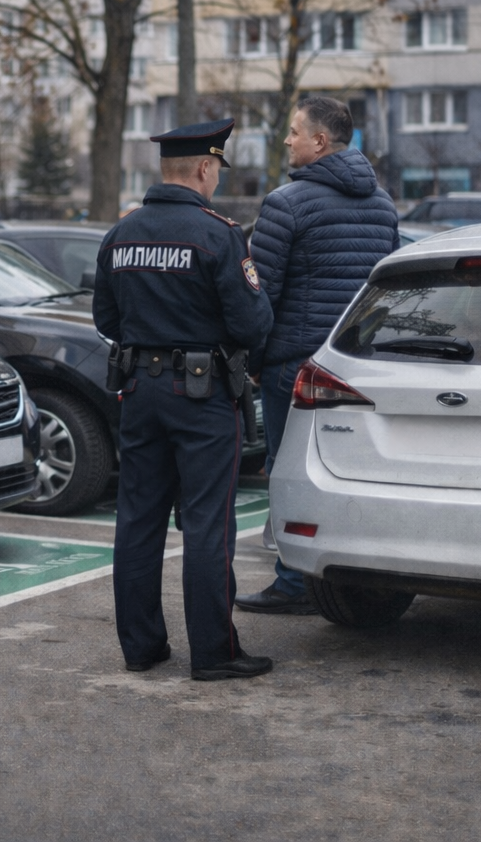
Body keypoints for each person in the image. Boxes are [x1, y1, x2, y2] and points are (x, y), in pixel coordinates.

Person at [94, 118, 275, 681]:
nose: (217, 180)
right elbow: (250, 326)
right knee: (206, 525)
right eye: (217, 170)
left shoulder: (120, 235)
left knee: (139, 521)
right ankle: (215, 653)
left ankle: (142, 648)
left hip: (139, 392)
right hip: (200, 398)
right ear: (203, 168)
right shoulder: (218, 234)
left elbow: (106, 319)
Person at [238, 97, 399, 614]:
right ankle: (352, 573)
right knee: (351, 474)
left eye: (293, 132)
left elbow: (260, 297)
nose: (287, 140)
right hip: (361, 366)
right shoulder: (383, 205)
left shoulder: (286, 203)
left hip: (297, 367)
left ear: (320, 143)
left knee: (290, 474)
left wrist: (256, 363)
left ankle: (291, 582)